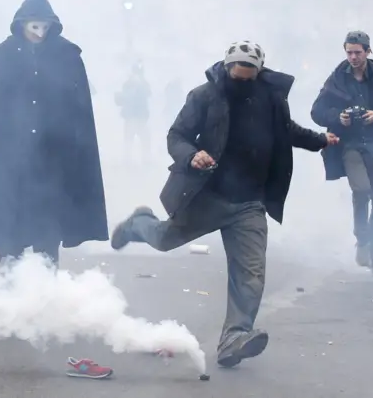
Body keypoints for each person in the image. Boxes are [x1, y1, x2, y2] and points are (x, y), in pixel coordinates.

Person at [110, 41, 338, 368]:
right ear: (227, 66)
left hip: (249, 204)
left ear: (258, 73)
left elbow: (286, 131)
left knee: (250, 273)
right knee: (163, 240)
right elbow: (177, 135)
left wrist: (320, 140)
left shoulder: (270, 98)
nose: (241, 82)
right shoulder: (204, 96)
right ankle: (138, 224)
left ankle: (235, 337)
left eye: (249, 77)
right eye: (237, 75)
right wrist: (192, 156)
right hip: (207, 196)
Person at [0, 0, 112, 379]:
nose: (38, 31)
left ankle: (44, 300)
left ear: (53, 25)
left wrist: (73, 152)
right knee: (10, 228)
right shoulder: (5, 55)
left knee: (47, 229)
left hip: (54, 161)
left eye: (44, 25)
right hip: (10, 160)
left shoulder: (68, 56)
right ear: (21, 25)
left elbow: (78, 110)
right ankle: (11, 299)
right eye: (32, 24)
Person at [311, 31, 373, 281]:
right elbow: (317, 111)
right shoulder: (336, 79)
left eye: (358, 52)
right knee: (361, 190)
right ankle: (362, 240)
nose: (353, 57)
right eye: (349, 52)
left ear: (368, 51)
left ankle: (371, 250)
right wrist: (337, 117)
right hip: (349, 145)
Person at [115, 62, 152, 163]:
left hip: (136, 116)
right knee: (133, 140)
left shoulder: (134, 83)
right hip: (134, 116)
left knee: (139, 139)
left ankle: (139, 160)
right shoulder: (132, 83)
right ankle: (130, 160)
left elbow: (148, 93)